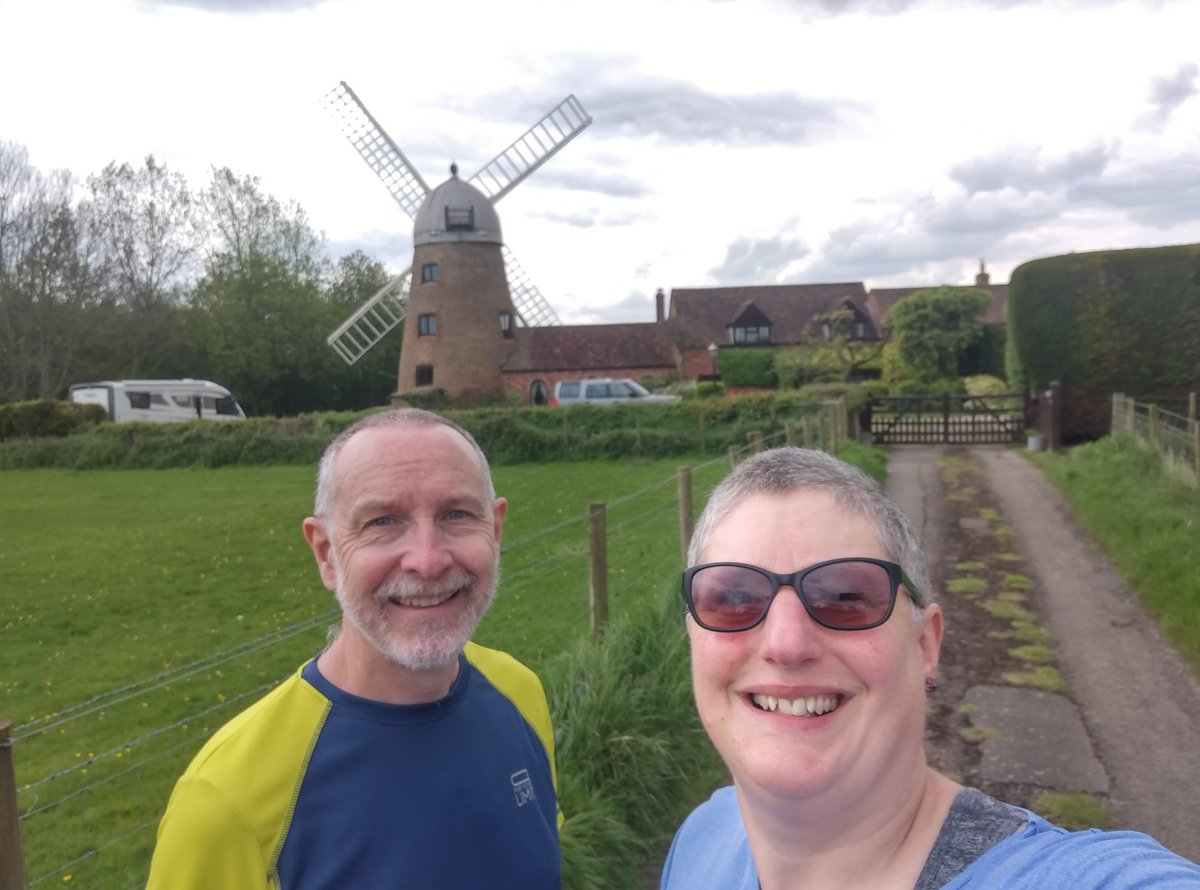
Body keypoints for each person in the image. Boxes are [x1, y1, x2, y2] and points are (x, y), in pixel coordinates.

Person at [660, 446, 1200, 889]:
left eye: (846, 595)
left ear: (925, 644)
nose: (786, 642)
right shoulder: (700, 839)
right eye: (731, 597)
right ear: (693, 636)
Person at [147, 408, 561, 889]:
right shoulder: (226, 801)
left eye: (456, 514)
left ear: (496, 529)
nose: (427, 560)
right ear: (325, 553)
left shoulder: (520, 692)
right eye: (382, 521)